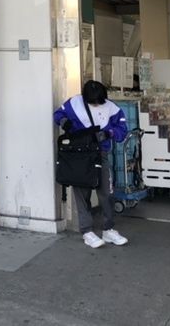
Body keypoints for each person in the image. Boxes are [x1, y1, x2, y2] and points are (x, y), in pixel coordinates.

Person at [52, 80, 129, 249]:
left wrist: (109, 133)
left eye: (99, 101)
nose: (96, 104)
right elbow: (57, 115)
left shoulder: (112, 108)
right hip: (79, 154)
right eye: (92, 101)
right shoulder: (74, 103)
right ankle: (87, 231)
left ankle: (108, 229)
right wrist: (65, 121)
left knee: (106, 192)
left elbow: (123, 130)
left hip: (101, 154)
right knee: (81, 192)